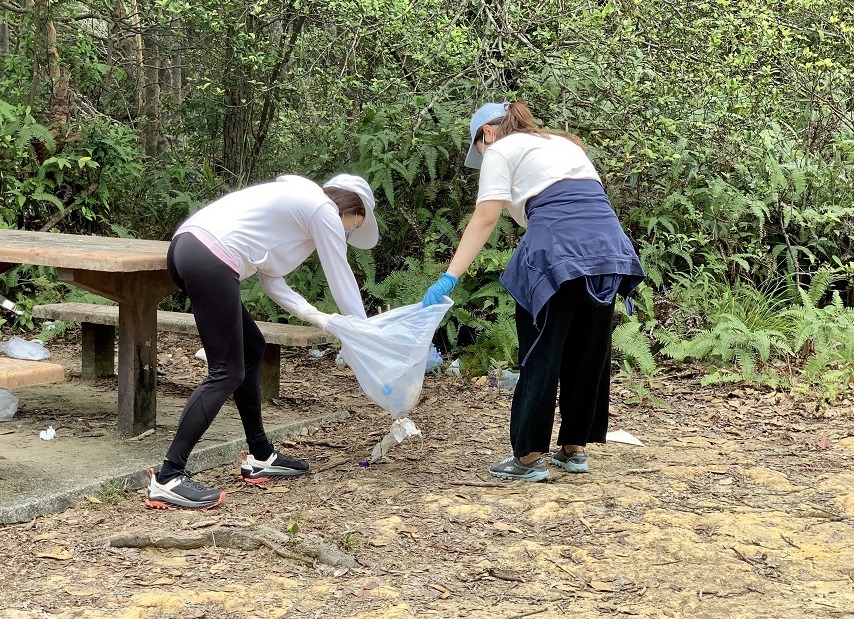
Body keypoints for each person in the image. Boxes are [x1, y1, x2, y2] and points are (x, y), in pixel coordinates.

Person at [422, 101, 644, 482]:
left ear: (487, 133)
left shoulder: (500, 148)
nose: (481, 156)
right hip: (610, 248)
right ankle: (574, 449)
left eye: (477, 147)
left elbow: (486, 217)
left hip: (557, 249)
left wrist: (450, 277)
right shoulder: (561, 142)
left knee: (541, 350)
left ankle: (527, 458)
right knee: (588, 350)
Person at [146, 173, 379, 509]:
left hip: (190, 249)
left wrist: (322, 319)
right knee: (226, 372)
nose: (348, 233)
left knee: (252, 348)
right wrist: (364, 334)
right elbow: (340, 277)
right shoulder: (322, 210)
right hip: (210, 256)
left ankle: (260, 455)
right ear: (350, 208)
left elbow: (272, 283)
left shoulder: (295, 209)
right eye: (354, 225)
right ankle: (168, 476)